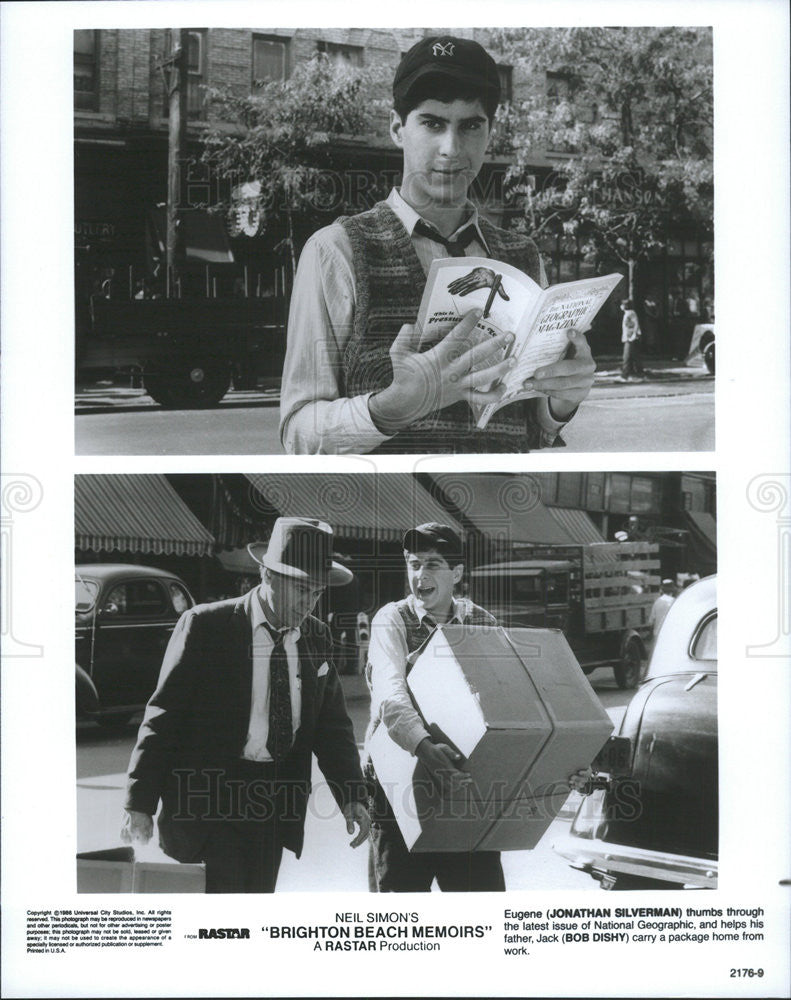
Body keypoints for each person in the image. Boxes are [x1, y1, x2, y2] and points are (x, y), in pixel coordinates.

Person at [280, 35, 596, 454]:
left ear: (489, 133)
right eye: (432, 123)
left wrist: (562, 401)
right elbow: (298, 434)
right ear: (397, 128)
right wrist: (392, 408)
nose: (451, 149)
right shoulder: (335, 251)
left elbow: (531, 428)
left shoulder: (523, 257)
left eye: (470, 125)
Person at [121, 516, 370, 893]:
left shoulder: (316, 637)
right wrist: (140, 803)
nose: (309, 602)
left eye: (317, 592)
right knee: (222, 922)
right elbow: (163, 717)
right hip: (211, 805)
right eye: (301, 589)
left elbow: (331, 726)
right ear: (267, 576)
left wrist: (352, 794)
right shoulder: (206, 626)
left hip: (273, 804)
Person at [363, 522, 504, 891]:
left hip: (465, 785)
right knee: (402, 918)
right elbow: (390, 697)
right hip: (400, 788)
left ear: (457, 573)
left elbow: (506, 700)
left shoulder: (480, 622)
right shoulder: (391, 620)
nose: (420, 575)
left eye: (433, 564)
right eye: (413, 564)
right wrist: (426, 749)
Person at [620, 298, 643, 379]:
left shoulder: (630, 313)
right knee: (634, 355)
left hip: (630, 338)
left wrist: (633, 336)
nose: (621, 306)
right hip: (629, 337)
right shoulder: (627, 313)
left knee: (626, 356)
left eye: (622, 305)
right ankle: (638, 372)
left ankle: (625, 374)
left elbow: (635, 325)